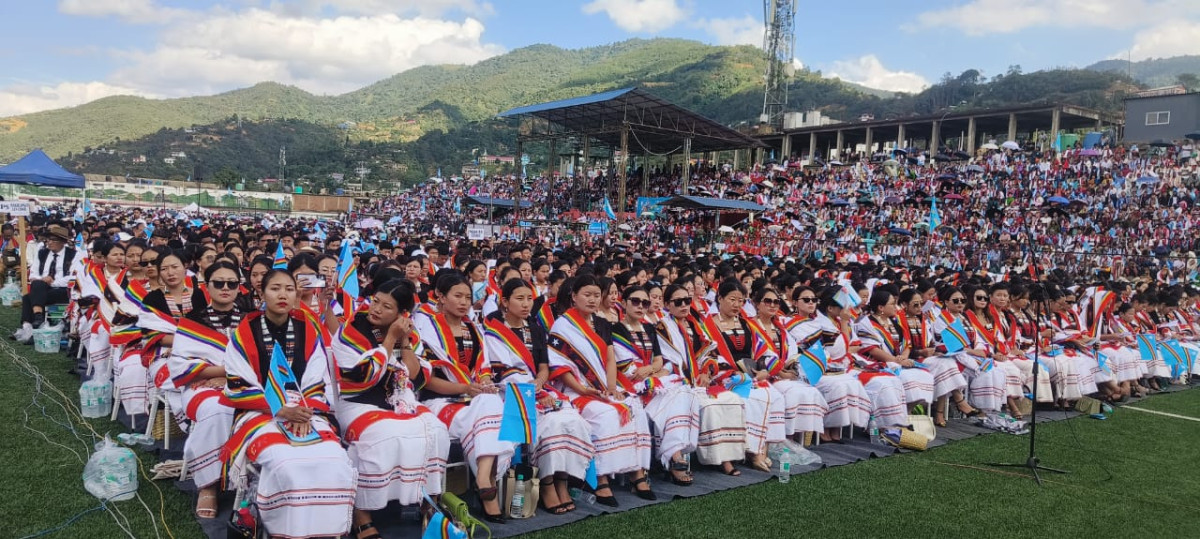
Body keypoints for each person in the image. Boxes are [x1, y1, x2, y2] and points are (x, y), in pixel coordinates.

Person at [222, 269, 356, 537]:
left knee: (337, 459)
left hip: (306, 410)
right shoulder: (245, 330)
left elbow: (316, 377)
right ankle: (284, 528)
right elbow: (239, 380)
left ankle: (328, 529)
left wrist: (302, 413)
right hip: (259, 412)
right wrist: (281, 410)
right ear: (261, 293)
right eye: (275, 288)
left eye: (289, 289)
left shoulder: (307, 327)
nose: (282, 294)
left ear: (297, 293)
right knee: (287, 463)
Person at [332, 278, 450, 537]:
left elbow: (417, 377)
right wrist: (390, 339)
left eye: (386, 306)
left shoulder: (409, 331)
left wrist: (404, 340)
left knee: (436, 430)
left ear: (401, 314)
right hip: (358, 401)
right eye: (375, 301)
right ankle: (362, 514)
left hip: (400, 398)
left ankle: (427, 502)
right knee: (382, 436)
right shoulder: (352, 328)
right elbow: (363, 376)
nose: (376, 309)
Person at [484, 278, 594, 514]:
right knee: (553, 423)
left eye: (529, 299)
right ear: (505, 301)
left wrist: (540, 385)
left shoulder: (534, 328)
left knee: (573, 419)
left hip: (539, 389)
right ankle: (546, 482)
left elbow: (544, 367)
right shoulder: (493, 331)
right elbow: (502, 372)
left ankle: (562, 480)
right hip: (511, 393)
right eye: (519, 298)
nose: (526, 304)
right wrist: (534, 392)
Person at [414, 272, 515, 523]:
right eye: (457, 296)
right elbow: (427, 380)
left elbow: (483, 369)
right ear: (440, 296)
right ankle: (487, 485)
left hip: (474, 402)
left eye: (468, 297)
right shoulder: (427, 329)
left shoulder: (473, 328)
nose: (463, 302)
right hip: (440, 402)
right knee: (490, 408)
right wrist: (466, 388)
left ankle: (483, 480)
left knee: (491, 402)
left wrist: (483, 383)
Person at [547, 275, 655, 506]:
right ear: (574, 296)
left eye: (597, 295)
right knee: (606, 414)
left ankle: (636, 472)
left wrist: (611, 387)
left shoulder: (603, 323)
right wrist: (584, 390)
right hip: (574, 390)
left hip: (603, 386)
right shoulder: (562, 325)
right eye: (587, 295)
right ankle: (601, 477)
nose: (593, 300)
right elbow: (560, 365)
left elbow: (609, 360)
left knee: (633, 407)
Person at [166, 261, 242, 519]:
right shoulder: (191, 321)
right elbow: (180, 365)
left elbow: (262, 361)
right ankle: (207, 485)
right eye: (218, 282)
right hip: (200, 385)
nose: (225, 288)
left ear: (239, 287)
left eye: (231, 283)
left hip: (244, 384)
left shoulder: (252, 319)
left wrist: (230, 378)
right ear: (206, 286)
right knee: (218, 409)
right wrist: (223, 374)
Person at [612, 284, 699, 486]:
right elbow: (627, 367)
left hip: (652, 380)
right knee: (679, 394)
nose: (640, 306)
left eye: (645, 303)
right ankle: (675, 457)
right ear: (624, 303)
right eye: (635, 301)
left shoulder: (650, 328)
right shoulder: (616, 329)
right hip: (631, 384)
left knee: (684, 393)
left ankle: (673, 453)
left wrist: (651, 370)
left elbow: (659, 360)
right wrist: (651, 370)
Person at [657, 283, 745, 475]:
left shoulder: (695, 324)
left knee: (731, 400)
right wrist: (691, 376)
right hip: (678, 380)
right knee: (710, 406)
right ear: (667, 304)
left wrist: (706, 372)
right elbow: (668, 361)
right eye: (678, 302)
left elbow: (710, 354)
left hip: (701, 380)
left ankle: (726, 458)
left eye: (687, 301)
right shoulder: (662, 327)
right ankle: (717, 459)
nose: (683, 305)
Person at [700, 279, 784, 471]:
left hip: (751, 375)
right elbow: (706, 355)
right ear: (719, 298)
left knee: (775, 396)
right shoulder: (708, 325)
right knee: (756, 398)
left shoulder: (747, 324)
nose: (737, 305)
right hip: (723, 376)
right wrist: (725, 370)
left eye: (741, 300)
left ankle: (762, 448)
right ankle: (751, 452)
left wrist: (765, 370)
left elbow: (765, 351)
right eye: (732, 299)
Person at [787, 285, 871, 441]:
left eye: (813, 300)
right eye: (806, 300)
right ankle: (825, 426)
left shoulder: (819, 322)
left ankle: (837, 426)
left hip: (830, 364)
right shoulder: (791, 322)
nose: (811, 303)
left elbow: (846, 347)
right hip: (806, 366)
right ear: (794, 302)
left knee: (851, 383)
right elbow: (835, 350)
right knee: (837, 385)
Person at [746, 286, 828, 442]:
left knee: (810, 391)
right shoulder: (750, 325)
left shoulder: (780, 327)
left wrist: (792, 369)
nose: (772, 305)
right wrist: (781, 373)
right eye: (768, 301)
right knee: (793, 393)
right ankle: (783, 438)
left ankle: (800, 438)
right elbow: (759, 354)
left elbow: (791, 352)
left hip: (784, 373)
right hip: (764, 374)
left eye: (776, 302)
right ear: (757, 304)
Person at [17, 224, 80, 342]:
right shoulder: (42, 253)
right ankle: (37, 320)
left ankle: (31, 327)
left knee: (28, 297)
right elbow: (33, 274)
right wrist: (43, 280)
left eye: (53, 240)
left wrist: (52, 282)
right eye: (48, 240)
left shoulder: (74, 255)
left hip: (63, 290)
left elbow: (73, 278)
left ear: (63, 242)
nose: (49, 243)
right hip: (42, 289)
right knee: (35, 288)